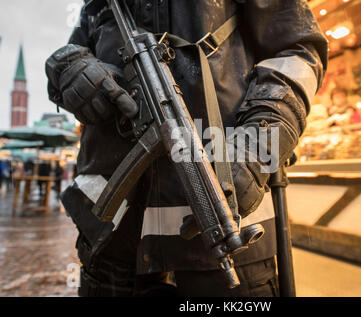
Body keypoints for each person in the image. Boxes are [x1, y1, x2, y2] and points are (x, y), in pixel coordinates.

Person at [45, 0, 327, 297]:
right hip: (109, 241)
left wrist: (257, 145)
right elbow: (73, 51)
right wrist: (70, 69)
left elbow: (299, 51)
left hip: (226, 234)